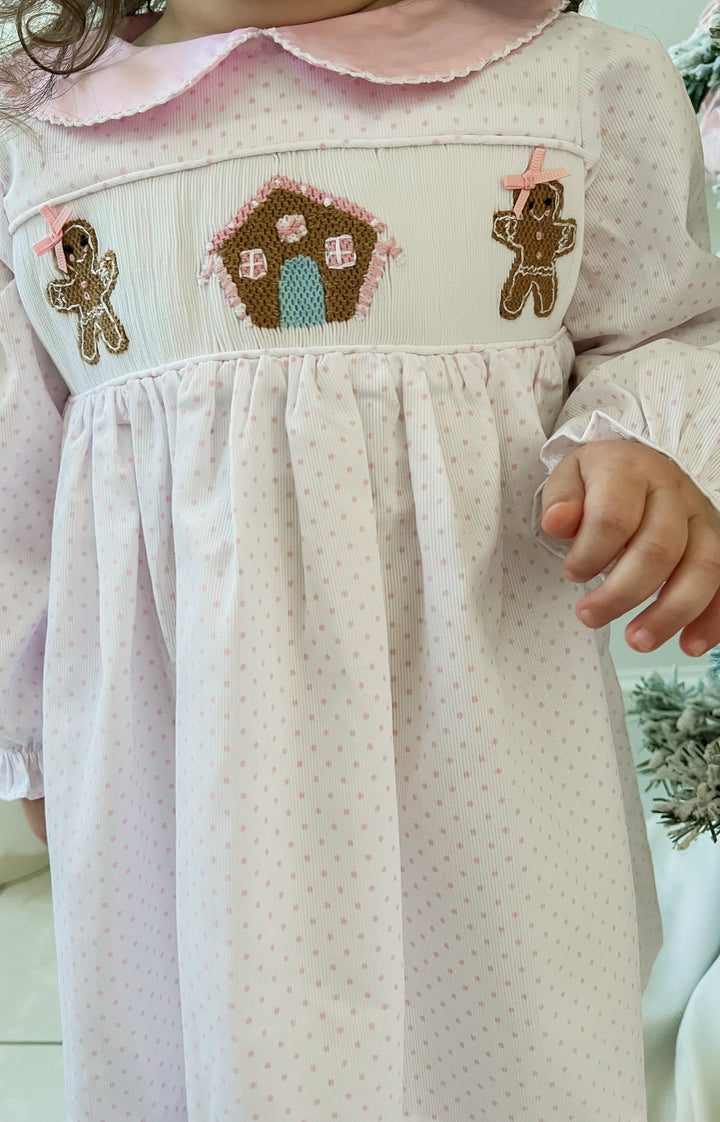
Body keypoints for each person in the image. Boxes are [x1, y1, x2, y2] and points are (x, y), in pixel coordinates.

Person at [1, 0, 719, 1117]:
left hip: (493, 737)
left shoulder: (579, 85)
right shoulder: (34, 131)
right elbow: (17, 470)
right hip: (183, 755)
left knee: (520, 1043)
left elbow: (667, 322)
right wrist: (33, 731)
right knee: (216, 1057)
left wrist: (636, 437)